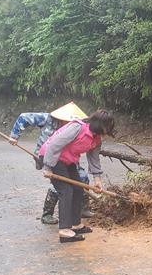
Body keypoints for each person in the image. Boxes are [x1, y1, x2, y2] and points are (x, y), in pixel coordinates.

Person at [8, 102, 92, 223]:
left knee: (82, 178)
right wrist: (14, 136)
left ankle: (81, 208)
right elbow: (24, 117)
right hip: (46, 155)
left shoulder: (78, 126)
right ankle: (47, 214)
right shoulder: (48, 119)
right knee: (60, 183)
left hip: (66, 157)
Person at [40, 109, 115, 243]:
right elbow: (54, 144)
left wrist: (97, 179)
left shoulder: (96, 139)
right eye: (107, 128)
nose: (107, 133)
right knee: (66, 190)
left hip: (68, 161)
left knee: (78, 189)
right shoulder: (77, 127)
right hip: (53, 158)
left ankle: (75, 224)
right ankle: (64, 231)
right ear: (100, 124)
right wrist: (47, 167)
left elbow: (94, 159)